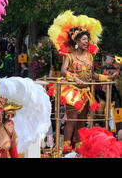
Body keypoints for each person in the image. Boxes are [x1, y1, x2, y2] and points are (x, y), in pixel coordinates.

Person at [48, 11, 119, 154]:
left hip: (86, 92)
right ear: (76, 41)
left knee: (82, 121)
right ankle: (67, 147)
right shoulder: (69, 55)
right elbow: (63, 71)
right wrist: (74, 77)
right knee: (71, 120)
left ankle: (78, 145)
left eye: (87, 39)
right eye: (83, 39)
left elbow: (92, 75)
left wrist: (107, 78)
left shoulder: (90, 57)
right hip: (72, 92)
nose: (86, 42)